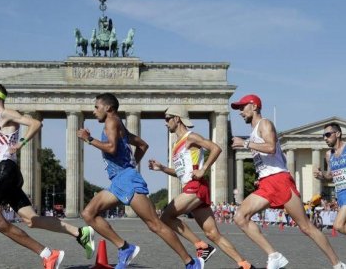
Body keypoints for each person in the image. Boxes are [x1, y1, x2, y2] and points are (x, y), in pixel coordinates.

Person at [0, 83, 95, 269]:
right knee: (31, 219)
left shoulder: (6, 113)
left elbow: (36, 123)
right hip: (5, 170)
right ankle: (80, 233)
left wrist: (21, 143)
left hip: (7, 171)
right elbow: (3, 150)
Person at [76, 93, 204, 269]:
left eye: (96, 107)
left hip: (127, 180)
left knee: (155, 224)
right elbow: (143, 145)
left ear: (108, 108)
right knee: (88, 214)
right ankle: (125, 248)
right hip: (119, 180)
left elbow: (112, 148)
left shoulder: (111, 122)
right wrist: (132, 164)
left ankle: (191, 262)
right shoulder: (119, 124)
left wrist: (89, 139)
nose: (93, 111)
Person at [231, 94, 345, 269]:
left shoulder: (265, 124)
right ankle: (274, 255)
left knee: (306, 227)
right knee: (240, 217)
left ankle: (337, 264)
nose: (240, 112)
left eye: (242, 107)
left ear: (254, 106)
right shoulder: (253, 132)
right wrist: (260, 176)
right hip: (267, 182)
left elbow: (270, 147)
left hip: (279, 181)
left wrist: (246, 144)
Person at [148, 105, 254, 269]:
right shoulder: (177, 144)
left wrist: (204, 169)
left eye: (168, 118)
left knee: (166, 216)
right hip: (192, 186)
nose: (165, 122)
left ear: (177, 118)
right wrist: (162, 168)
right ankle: (245, 264)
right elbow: (181, 172)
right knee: (213, 234)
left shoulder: (191, 137)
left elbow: (216, 148)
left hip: (196, 186)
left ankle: (200, 246)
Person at [314, 123, 346, 235]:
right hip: (340, 195)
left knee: (338, 225)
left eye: (327, 135)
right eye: (324, 136)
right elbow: (330, 176)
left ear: (337, 134)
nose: (325, 138)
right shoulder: (329, 155)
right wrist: (322, 175)